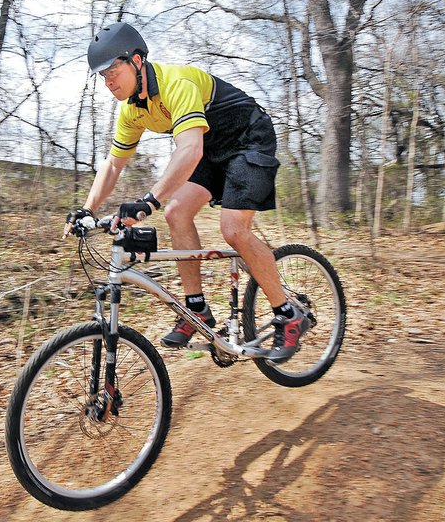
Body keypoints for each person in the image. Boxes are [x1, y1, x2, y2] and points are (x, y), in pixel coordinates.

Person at [63, 22, 309, 364]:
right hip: (212, 148)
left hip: (248, 137)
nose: (108, 81)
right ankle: (198, 312)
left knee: (233, 229)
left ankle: (288, 314)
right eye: (102, 76)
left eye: (112, 70)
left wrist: (148, 200)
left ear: (136, 60)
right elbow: (114, 164)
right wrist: (86, 209)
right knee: (176, 211)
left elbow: (189, 149)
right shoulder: (132, 110)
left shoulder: (175, 82)